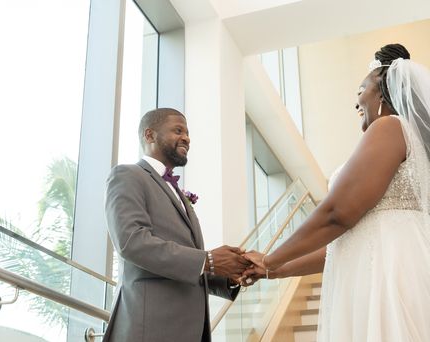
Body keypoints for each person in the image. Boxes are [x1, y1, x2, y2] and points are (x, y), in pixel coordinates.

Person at [243, 43, 430, 341]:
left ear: (381, 93)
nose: (356, 102)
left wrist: (270, 259)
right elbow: (340, 245)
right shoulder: (413, 141)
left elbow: (336, 214)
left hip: (384, 276)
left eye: (361, 89)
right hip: (389, 265)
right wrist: (275, 270)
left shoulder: (389, 127)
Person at [103, 108, 253, 342]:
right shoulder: (127, 175)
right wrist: (209, 260)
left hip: (188, 329)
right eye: (178, 130)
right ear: (150, 135)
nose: (187, 138)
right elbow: (132, 241)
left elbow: (188, 262)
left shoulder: (177, 191)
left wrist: (230, 274)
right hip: (151, 328)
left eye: (188, 132)